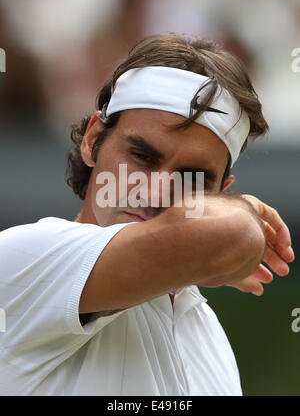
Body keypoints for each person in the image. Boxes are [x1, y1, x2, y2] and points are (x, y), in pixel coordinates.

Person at [0, 33, 294, 396]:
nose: (155, 193)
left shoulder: (209, 335)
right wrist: (243, 214)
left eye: (193, 179)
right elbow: (236, 233)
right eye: (142, 156)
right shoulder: (24, 256)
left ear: (220, 191)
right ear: (94, 139)